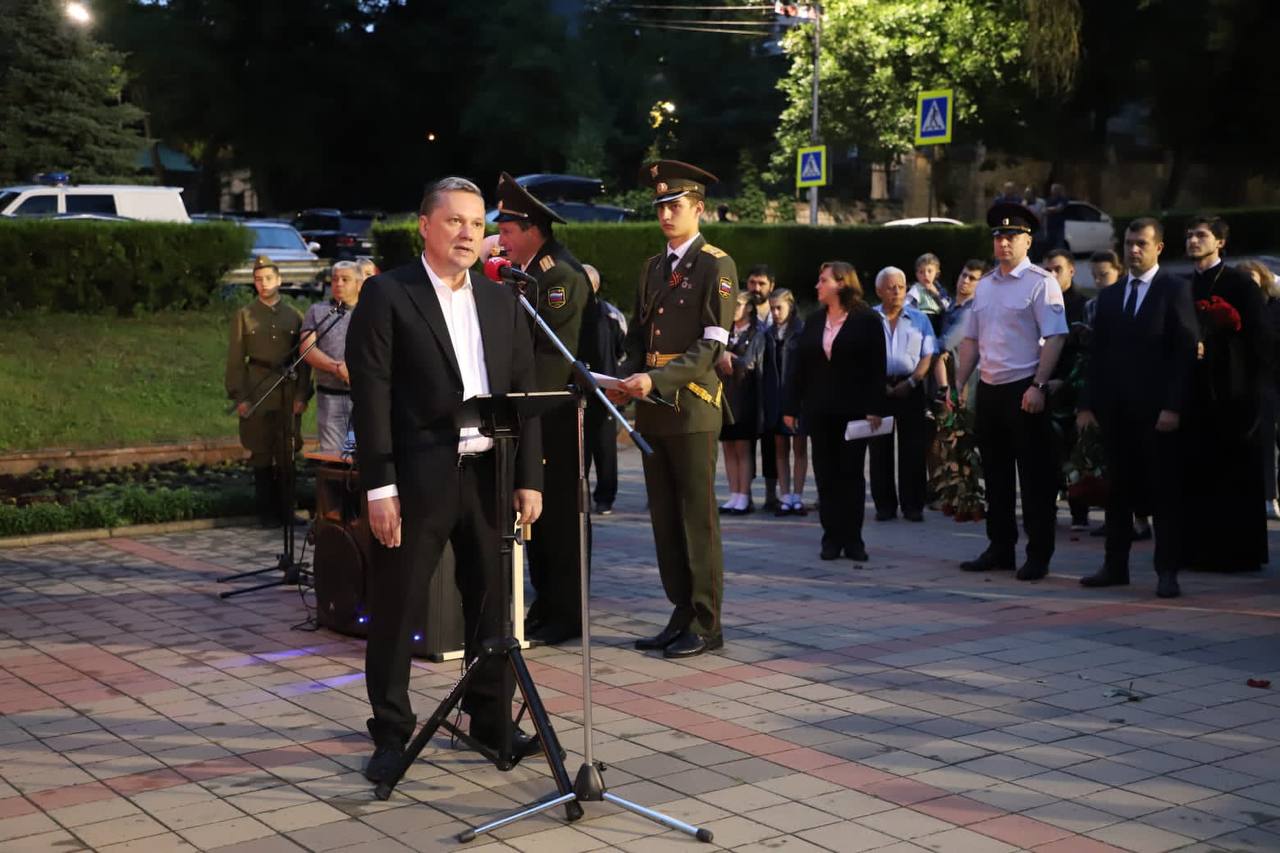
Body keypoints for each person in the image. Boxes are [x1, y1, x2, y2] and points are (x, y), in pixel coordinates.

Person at [346, 177, 545, 785]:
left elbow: (523, 396)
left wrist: (529, 478)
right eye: (455, 221)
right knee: (397, 603)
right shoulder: (388, 294)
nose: (468, 233)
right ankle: (390, 732)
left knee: (492, 605)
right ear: (425, 226)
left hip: (488, 473)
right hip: (416, 478)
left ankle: (489, 720)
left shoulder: (501, 300)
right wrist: (380, 487)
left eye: (478, 224)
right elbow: (371, 397)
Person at [609, 159, 735, 659]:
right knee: (663, 518)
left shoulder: (715, 264)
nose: (665, 213)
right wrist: (622, 375)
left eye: (675, 205)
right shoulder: (653, 266)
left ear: (697, 209)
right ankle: (679, 612)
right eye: (660, 205)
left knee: (696, 520)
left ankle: (707, 622)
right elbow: (640, 336)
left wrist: (654, 378)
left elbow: (711, 348)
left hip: (692, 408)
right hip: (652, 408)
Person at [494, 171, 593, 647]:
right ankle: (546, 602)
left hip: (554, 417)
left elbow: (551, 360)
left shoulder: (559, 278)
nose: (501, 240)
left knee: (559, 519)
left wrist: (516, 402)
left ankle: (567, 612)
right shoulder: (529, 274)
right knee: (536, 517)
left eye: (508, 231)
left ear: (533, 228)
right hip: (533, 416)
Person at [1077, 218, 1197, 598]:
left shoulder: (1174, 290)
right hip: (1117, 412)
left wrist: (1173, 406)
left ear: (1158, 247)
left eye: (1142, 243)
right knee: (1118, 492)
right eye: (1129, 243)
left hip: (1158, 412)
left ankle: (1167, 571)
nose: (1133, 250)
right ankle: (1115, 566)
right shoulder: (1111, 296)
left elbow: (1184, 354)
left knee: (1163, 492)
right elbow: (1098, 355)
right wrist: (1088, 404)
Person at [954, 202, 1068, 580]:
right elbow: (971, 339)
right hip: (989, 389)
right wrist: (958, 384)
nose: (1004, 242)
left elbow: (1054, 337)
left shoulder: (1040, 282)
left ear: (1027, 240)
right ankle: (1000, 547)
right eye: (999, 236)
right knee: (997, 477)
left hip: (1024, 388)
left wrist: (1038, 384)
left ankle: (1038, 553)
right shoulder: (985, 285)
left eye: (1012, 236)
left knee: (1034, 478)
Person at [1182, 215, 1270, 572]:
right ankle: (1199, 551)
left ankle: (1239, 554)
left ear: (1220, 242)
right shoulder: (1181, 285)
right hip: (1195, 393)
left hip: (1235, 391)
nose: (1192, 241)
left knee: (1237, 473)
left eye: (1201, 235)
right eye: (1188, 235)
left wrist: (1222, 347)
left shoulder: (1240, 284)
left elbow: (1261, 338)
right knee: (1198, 471)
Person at [782, 262, 886, 562]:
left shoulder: (866, 319)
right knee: (826, 476)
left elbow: (876, 367)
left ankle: (853, 540)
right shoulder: (814, 321)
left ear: (841, 284)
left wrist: (874, 407)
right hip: (819, 411)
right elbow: (798, 367)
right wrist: (791, 406)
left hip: (853, 412)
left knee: (851, 475)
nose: (817, 285)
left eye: (823, 280)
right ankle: (831, 538)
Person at [225, 256, 310, 527]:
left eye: (269, 279)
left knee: (287, 450)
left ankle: (287, 509)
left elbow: (303, 359)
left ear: (280, 280)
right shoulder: (244, 315)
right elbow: (236, 359)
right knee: (260, 450)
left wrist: (301, 395)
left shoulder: (294, 316)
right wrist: (240, 395)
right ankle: (265, 512)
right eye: (258, 279)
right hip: (257, 387)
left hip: (286, 389)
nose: (263, 284)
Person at [870, 266, 936, 523]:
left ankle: (913, 505)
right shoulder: (869, 318)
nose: (897, 291)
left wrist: (912, 381)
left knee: (913, 449)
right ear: (879, 291)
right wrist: (877, 384)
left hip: (911, 388)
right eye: (891, 287)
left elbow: (928, 354)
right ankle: (884, 505)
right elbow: (862, 356)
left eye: (901, 286)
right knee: (879, 450)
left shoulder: (920, 319)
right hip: (879, 388)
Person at [1041, 248, 1091, 530]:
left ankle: (1079, 512)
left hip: (1072, 390)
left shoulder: (1084, 306)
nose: (1051, 275)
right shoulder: (1038, 304)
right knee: (1043, 455)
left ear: (1071, 270)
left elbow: (1085, 354)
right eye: (1046, 269)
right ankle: (1044, 511)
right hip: (1040, 387)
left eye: (1057, 269)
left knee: (1074, 454)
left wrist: (1066, 381)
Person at [718, 290, 776, 514]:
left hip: (746, 396)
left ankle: (744, 495)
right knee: (728, 447)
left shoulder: (757, 332)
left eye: (738, 304)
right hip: (724, 396)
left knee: (743, 447)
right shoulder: (725, 331)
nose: (733, 308)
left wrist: (729, 357)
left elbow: (750, 362)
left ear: (749, 308)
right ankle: (733, 494)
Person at [578, 263, 627, 515]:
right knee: (579, 446)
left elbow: (623, 351)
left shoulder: (611, 315)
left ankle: (605, 497)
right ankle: (580, 494)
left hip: (606, 391)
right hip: (577, 392)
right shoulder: (570, 313)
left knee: (605, 446)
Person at [302, 260, 361, 452]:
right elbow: (306, 349)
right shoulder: (318, 311)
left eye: (345, 279)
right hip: (330, 397)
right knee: (333, 457)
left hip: (364, 398)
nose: (339, 284)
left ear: (359, 284)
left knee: (359, 457)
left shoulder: (372, 311)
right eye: (335, 279)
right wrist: (336, 367)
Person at [1238, 259, 1280, 519]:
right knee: (1265, 442)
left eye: (1252, 278)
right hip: (1257, 381)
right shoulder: (1239, 311)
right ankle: (1269, 495)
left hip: (1274, 375)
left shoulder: (1274, 307)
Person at [767, 289, 808, 515]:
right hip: (776, 398)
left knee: (799, 447)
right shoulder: (769, 333)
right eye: (772, 308)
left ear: (790, 306)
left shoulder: (801, 332)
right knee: (780, 449)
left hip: (797, 398)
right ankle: (785, 496)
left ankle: (798, 496)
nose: (775, 313)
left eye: (779, 307)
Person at [744, 265, 779, 510]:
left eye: (762, 284)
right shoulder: (741, 312)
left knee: (771, 441)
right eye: (753, 283)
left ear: (771, 286)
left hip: (771, 385)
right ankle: (744, 492)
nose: (756, 288)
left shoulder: (778, 313)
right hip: (746, 387)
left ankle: (771, 493)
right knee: (745, 442)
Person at [905, 253, 952, 336]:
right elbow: (907, 306)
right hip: (921, 319)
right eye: (921, 272)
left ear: (936, 273)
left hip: (937, 320)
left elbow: (948, 307)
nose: (925, 275)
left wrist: (936, 293)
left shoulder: (940, 289)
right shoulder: (915, 289)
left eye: (929, 271)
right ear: (917, 275)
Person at [1043, 183, 1069, 251]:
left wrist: (1049, 209)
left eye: (1055, 189)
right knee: (1049, 246)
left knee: (1059, 246)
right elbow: (1044, 211)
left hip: (1059, 227)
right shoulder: (1049, 199)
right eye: (1052, 189)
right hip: (1050, 227)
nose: (1053, 191)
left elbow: (1059, 209)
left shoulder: (1063, 199)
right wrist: (1052, 209)